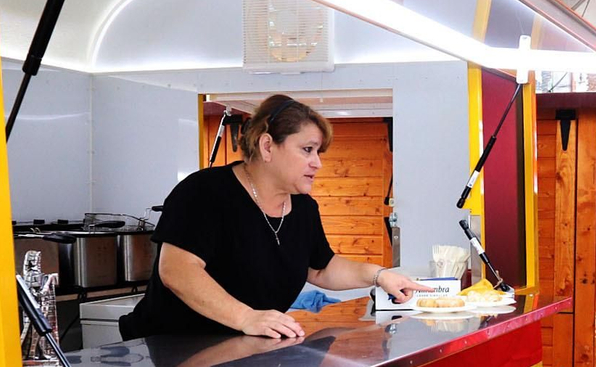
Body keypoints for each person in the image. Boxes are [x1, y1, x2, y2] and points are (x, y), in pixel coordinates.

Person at [121, 95, 426, 340]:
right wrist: (246, 317)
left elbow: (321, 269)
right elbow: (177, 271)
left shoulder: (304, 208)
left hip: (242, 350)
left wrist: (380, 275)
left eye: (318, 152)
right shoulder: (204, 193)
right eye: (307, 150)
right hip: (169, 352)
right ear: (267, 146)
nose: (317, 163)